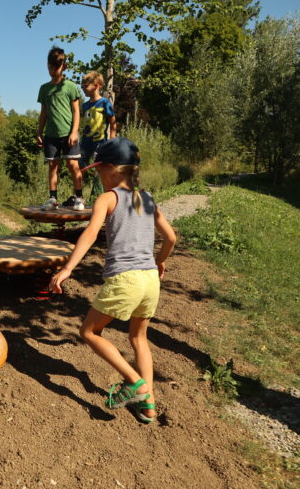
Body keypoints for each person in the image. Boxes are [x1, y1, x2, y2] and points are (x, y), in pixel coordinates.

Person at [49, 137, 176, 423]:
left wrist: (68, 268)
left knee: (89, 332)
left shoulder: (108, 198)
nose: (97, 176)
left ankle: (136, 383)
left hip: (125, 280)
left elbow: (90, 233)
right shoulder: (147, 198)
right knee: (139, 338)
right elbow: (170, 238)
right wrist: (160, 261)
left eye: (98, 170)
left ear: (112, 169)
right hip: (150, 280)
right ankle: (149, 406)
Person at [36, 47, 85, 211]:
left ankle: (79, 197)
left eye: (55, 67)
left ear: (64, 66)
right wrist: (39, 132)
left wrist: (74, 132)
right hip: (51, 135)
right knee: (52, 166)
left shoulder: (70, 86)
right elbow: (43, 113)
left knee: (72, 164)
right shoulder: (44, 88)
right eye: (50, 67)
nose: (52, 71)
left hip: (68, 134)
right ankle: (52, 199)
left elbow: (76, 111)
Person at [79, 71, 117, 202]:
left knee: (100, 169)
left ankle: (100, 197)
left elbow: (113, 122)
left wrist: (112, 141)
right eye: (82, 86)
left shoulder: (105, 103)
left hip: (100, 143)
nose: (82, 88)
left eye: (85, 86)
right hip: (85, 143)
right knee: (79, 166)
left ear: (96, 86)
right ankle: (79, 197)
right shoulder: (84, 105)